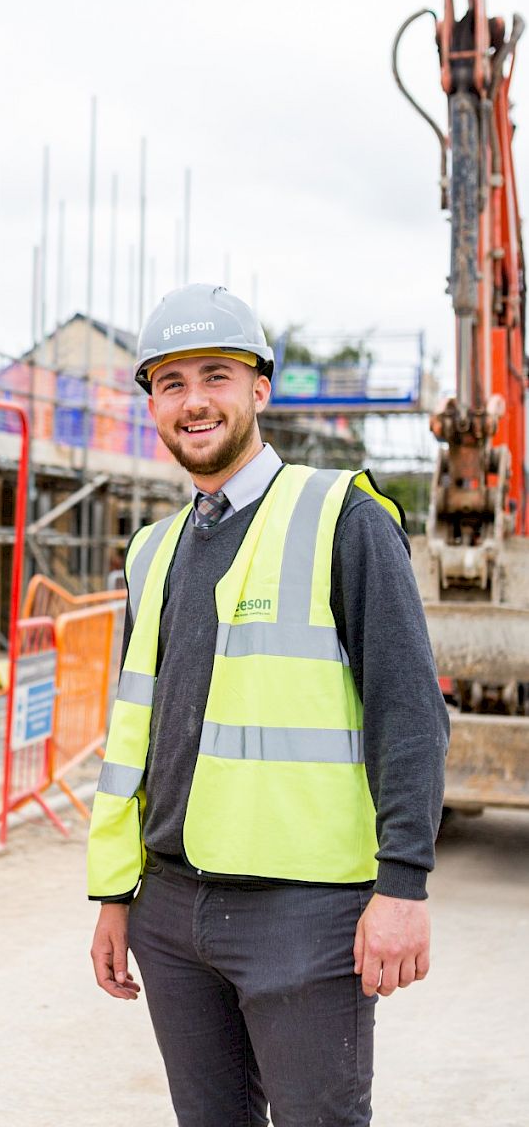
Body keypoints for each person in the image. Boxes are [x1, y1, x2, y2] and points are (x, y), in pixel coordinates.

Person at [88, 285, 449, 1127]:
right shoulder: (154, 550)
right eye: (170, 383)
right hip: (170, 911)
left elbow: (409, 713)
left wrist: (404, 885)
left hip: (307, 913)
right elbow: (136, 733)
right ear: (153, 406)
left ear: (260, 388)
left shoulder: (343, 516)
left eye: (216, 375)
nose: (194, 401)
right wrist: (116, 896)